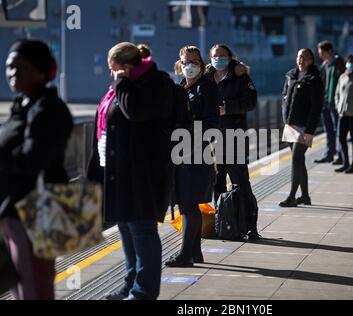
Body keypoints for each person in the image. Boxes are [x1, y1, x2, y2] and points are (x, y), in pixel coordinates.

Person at [87, 42, 175, 300]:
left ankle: (144, 291)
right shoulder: (123, 86)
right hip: (118, 172)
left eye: (113, 70)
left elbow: (134, 111)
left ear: (125, 67)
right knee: (125, 227)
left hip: (142, 174)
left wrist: (122, 84)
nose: (111, 75)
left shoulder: (155, 84)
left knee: (143, 230)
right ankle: (130, 283)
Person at [0, 39, 73, 300]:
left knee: (34, 286)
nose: (12, 74)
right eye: (9, 67)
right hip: (15, 210)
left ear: (42, 71)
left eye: (22, 68)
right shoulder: (24, 106)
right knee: (19, 284)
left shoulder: (48, 109)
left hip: (35, 210)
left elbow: (33, 159)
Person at [165, 46, 220, 267]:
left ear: (202, 63)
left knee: (189, 203)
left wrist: (188, 138)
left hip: (196, 152)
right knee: (187, 203)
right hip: (181, 151)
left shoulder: (207, 87)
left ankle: (186, 254)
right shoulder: (182, 87)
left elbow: (211, 124)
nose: (189, 66)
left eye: (194, 61)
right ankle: (195, 252)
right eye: (185, 61)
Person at [206, 44, 260, 239]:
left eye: (222, 55)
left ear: (230, 57)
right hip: (211, 139)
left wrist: (227, 108)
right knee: (216, 183)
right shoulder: (206, 76)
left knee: (241, 183)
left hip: (234, 137)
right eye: (215, 55)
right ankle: (224, 223)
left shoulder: (240, 76)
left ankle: (250, 225)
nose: (218, 58)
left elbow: (251, 101)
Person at [279, 48, 324, 207]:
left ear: (311, 60)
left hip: (304, 127)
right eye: (299, 56)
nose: (301, 59)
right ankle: (305, 196)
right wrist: (285, 119)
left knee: (296, 159)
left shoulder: (314, 79)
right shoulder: (290, 75)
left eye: (305, 57)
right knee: (299, 161)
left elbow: (316, 107)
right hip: (290, 124)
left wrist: (310, 131)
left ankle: (291, 196)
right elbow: (284, 97)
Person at [314, 41, 345, 165]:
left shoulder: (338, 63)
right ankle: (329, 154)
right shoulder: (325, 64)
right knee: (328, 129)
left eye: (322, 53)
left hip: (335, 101)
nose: (320, 55)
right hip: (325, 101)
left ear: (329, 51)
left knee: (338, 130)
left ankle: (340, 155)